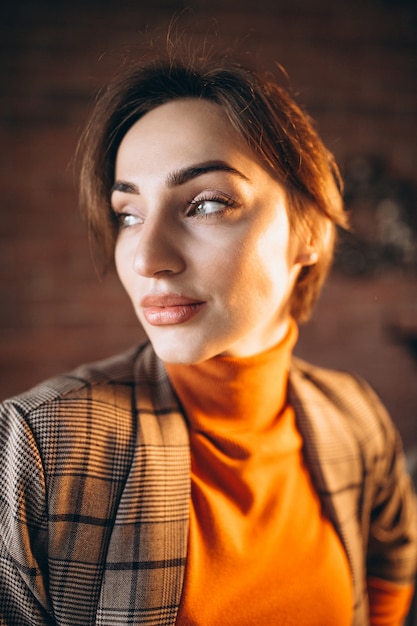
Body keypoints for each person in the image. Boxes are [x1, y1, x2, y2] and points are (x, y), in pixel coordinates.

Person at [0, 44, 416, 626]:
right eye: (128, 214)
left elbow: (391, 573)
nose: (147, 258)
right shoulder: (40, 447)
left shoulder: (356, 417)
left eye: (206, 203)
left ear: (311, 232)